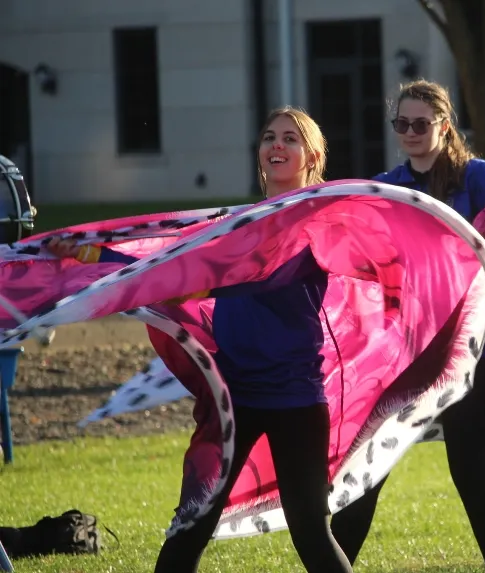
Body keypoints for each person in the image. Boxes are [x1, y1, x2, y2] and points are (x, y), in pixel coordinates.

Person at [47, 107, 354, 573]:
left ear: (311, 155)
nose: (276, 145)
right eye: (269, 136)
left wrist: (183, 276)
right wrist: (91, 253)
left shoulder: (311, 226)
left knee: (311, 530)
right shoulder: (233, 225)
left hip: (295, 398)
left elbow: (233, 276)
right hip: (233, 398)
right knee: (190, 526)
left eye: (290, 139)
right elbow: (169, 258)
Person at [328, 79, 485, 573]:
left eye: (420, 124)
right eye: (401, 124)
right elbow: (367, 261)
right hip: (407, 351)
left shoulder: (477, 177)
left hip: (472, 348)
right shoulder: (387, 185)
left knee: (471, 471)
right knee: (369, 469)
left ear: (444, 125)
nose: (410, 132)